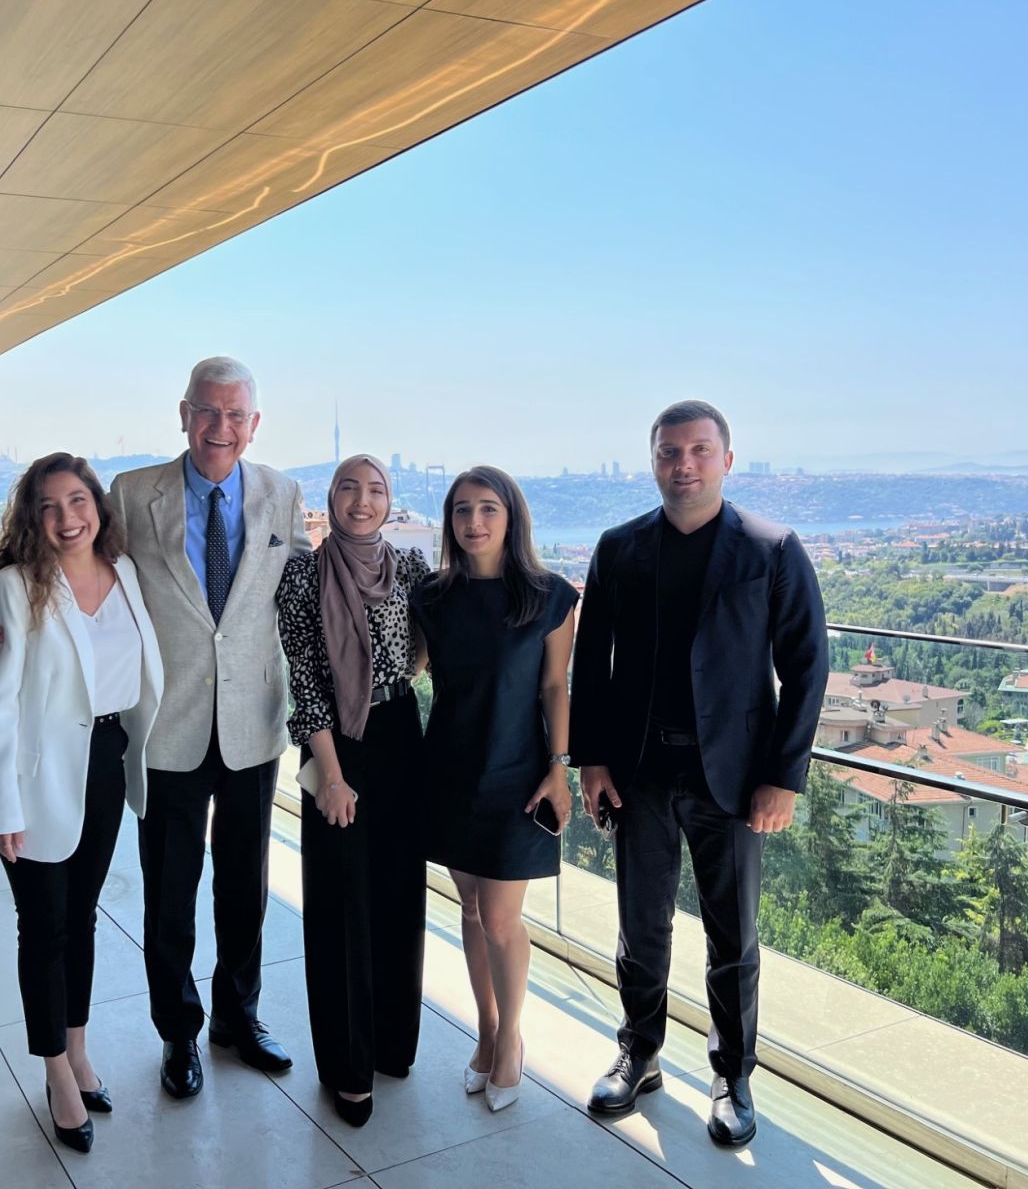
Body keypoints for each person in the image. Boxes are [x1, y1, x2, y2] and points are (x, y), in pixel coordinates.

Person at [0, 357, 309, 1099]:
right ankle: (178, 1031)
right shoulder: (130, 493)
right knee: (170, 892)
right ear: (184, 413)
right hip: (165, 726)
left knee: (245, 889)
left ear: (254, 425)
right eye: (207, 411)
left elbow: (307, 593)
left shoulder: (283, 494)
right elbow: (63, 565)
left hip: (253, 723)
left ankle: (239, 1016)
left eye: (235, 415)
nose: (219, 427)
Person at [571, 400, 827, 1147]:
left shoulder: (772, 549)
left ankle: (733, 1075)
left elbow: (807, 667)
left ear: (727, 460)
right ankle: (639, 1052)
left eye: (698, 450)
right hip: (640, 771)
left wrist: (784, 776)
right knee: (639, 926)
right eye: (669, 452)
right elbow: (591, 663)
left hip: (736, 780)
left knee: (733, 936)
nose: (683, 464)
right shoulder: (619, 548)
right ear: (652, 461)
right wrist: (591, 759)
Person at [0, 454, 163, 1153]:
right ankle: (55, 1071)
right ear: (32, 517)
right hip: (36, 778)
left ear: (98, 506)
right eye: (49, 506)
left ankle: (78, 1051)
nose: (67, 517)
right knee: (43, 926)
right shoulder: (14, 587)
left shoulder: (126, 574)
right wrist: (0, 804)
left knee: (81, 917)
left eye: (77, 500)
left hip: (106, 761)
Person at [409, 466, 578, 1113]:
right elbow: (412, 667)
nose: (474, 522)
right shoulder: (431, 596)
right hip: (449, 769)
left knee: (502, 919)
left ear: (512, 517)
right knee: (472, 909)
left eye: (487, 509)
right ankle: (483, 1030)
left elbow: (555, 686)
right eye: (461, 510)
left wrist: (559, 766)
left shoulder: (549, 596)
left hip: (519, 773)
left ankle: (510, 1041)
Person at [274, 455, 429, 1128]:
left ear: (389, 502)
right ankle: (348, 1066)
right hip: (336, 743)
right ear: (331, 498)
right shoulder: (303, 574)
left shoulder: (410, 567)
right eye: (348, 488)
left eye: (375, 490)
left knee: (398, 893)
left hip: (400, 733)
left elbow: (427, 647)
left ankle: (392, 1043)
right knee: (342, 905)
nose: (362, 501)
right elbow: (305, 679)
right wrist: (333, 776)